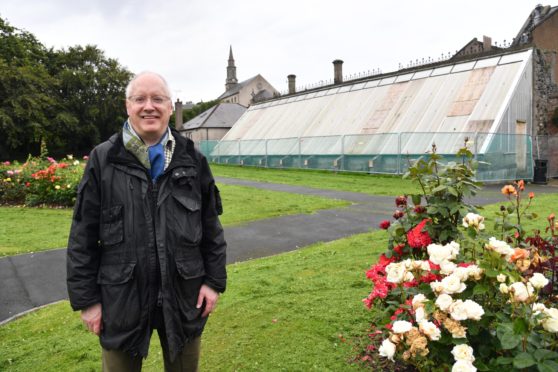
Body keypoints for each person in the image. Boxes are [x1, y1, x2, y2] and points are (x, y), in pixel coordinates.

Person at [66, 71, 227, 371]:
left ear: (169, 107)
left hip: (185, 296)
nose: (149, 106)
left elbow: (211, 227)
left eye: (158, 99)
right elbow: (82, 237)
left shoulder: (192, 158)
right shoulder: (103, 159)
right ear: (128, 106)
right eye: (140, 99)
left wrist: (213, 282)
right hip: (121, 300)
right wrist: (87, 301)